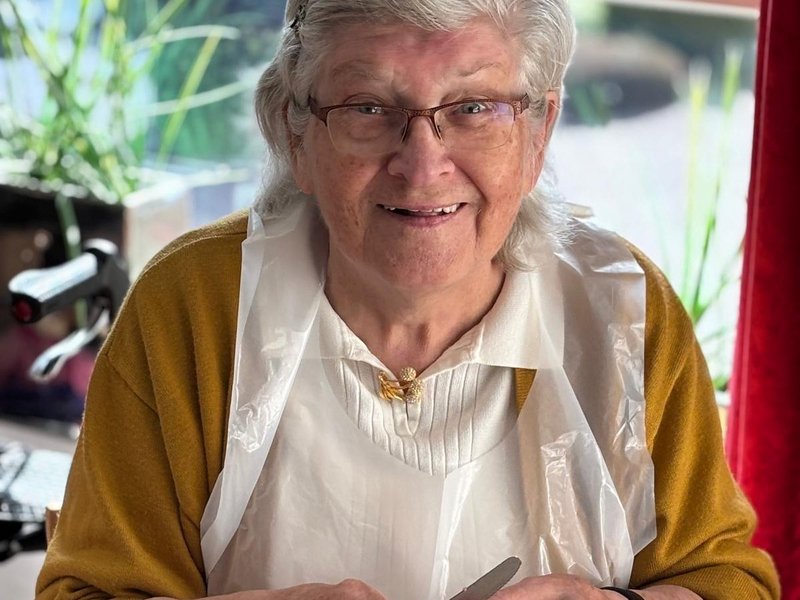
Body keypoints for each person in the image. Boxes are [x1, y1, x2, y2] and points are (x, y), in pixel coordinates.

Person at [36, 0, 780, 599]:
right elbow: (88, 591)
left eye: (474, 107)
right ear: (295, 132)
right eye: (367, 108)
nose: (422, 167)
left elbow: (728, 582)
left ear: (539, 132)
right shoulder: (194, 305)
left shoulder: (622, 313)